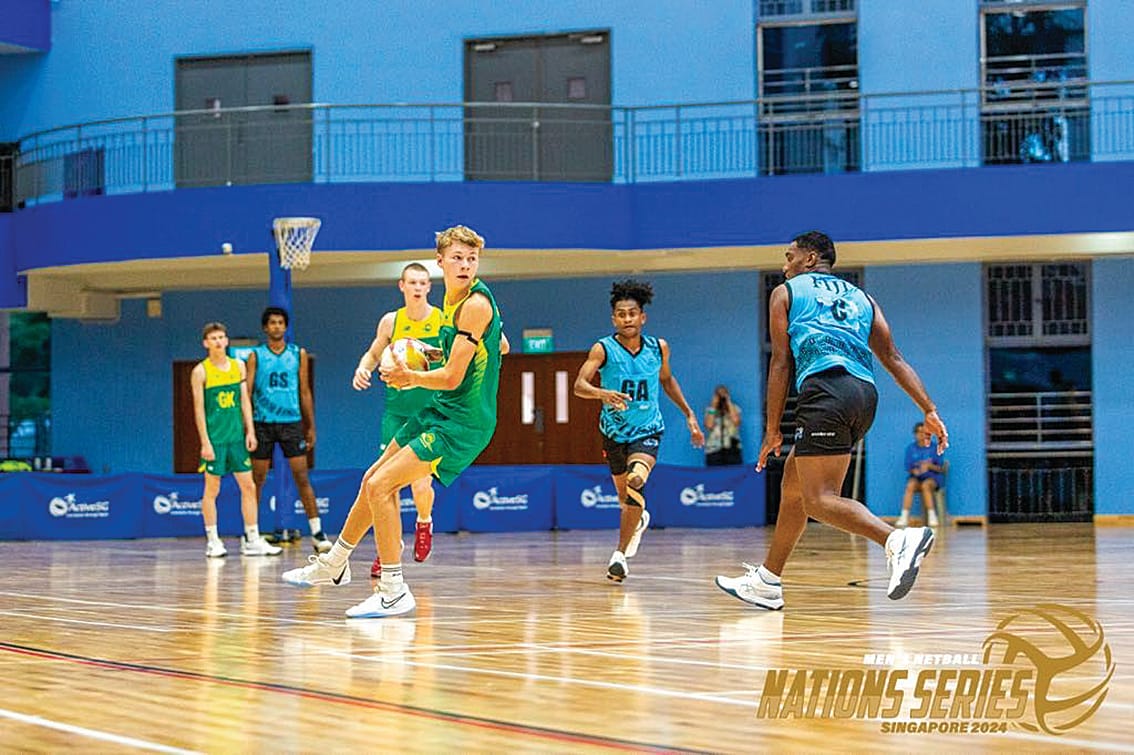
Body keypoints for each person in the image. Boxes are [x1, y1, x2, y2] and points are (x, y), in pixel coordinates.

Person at [715, 231, 948, 609]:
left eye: (789, 256)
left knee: (820, 500)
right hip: (863, 395)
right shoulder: (863, 298)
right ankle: (767, 581)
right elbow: (893, 358)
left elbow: (780, 362)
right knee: (794, 488)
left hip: (825, 391)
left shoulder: (785, 293)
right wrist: (929, 408)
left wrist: (772, 429)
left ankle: (896, 540)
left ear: (809, 259)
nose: (784, 263)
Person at [282, 224, 503, 618]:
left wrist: (410, 376)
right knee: (371, 480)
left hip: (463, 422)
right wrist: (426, 352)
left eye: (472, 258)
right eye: (458, 258)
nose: (466, 265)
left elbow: (455, 376)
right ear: (441, 262)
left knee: (384, 486)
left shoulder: (475, 304)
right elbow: (476, 351)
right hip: (440, 409)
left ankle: (393, 588)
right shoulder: (452, 302)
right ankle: (335, 563)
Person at [574, 279, 705, 583]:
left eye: (633, 313)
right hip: (613, 432)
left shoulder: (658, 347)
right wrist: (603, 394)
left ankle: (619, 555)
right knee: (625, 499)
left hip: (648, 428)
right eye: (621, 314)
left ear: (642, 317)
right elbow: (580, 386)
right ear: (614, 319)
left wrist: (689, 415)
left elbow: (667, 381)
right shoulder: (603, 348)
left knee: (637, 479)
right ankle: (638, 519)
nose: (627, 319)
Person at [352, 263, 445, 577]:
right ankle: (389, 549)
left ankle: (424, 521)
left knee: (420, 483)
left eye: (423, 282)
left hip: (430, 412)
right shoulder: (392, 321)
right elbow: (375, 352)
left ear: (429, 287)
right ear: (402, 286)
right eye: (412, 282)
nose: (418, 287)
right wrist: (363, 368)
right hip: (396, 413)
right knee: (384, 486)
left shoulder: (442, 319)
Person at [191, 322, 282, 558]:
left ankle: (252, 538)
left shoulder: (238, 366)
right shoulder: (200, 371)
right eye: (213, 338)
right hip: (216, 440)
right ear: (206, 343)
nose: (219, 341)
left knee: (249, 486)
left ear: (227, 340)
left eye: (222, 337)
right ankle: (213, 540)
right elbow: (199, 410)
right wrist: (205, 442)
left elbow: (244, 402)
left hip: (237, 439)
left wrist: (250, 431)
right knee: (212, 489)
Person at [245, 306, 331, 554]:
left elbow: (304, 391)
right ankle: (251, 533)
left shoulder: (297, 353)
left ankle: (317, 532)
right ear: (265, 327)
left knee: (302, 477)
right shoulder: (256, 356)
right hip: (262, 423)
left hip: (291, 422)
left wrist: (311, 424)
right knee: (257, 480)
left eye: (281, 322)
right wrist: (248, 427)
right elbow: (247, 393)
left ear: (286, 326)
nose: (276, 327)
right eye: (272, 322)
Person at [897, 422, 944, 528]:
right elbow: (909, 467)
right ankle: (904, 516)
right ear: (915, 434)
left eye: (925, 432)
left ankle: (932, 516)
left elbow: (940, 468)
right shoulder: (911, 448)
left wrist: (929, 466)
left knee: (926, 486)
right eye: (919, 432)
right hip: (917, 478)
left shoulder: (935, 448)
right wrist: (916, 471)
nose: (922, 435)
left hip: (932, 478)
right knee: (910, 485)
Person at [704, 384, 743, 466]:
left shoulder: (735, 408)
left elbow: (736, 422)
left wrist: (728, 402)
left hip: (732, 449)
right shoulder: (710, 410)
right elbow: (709, 425)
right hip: (714, 450)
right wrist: (714, 405)